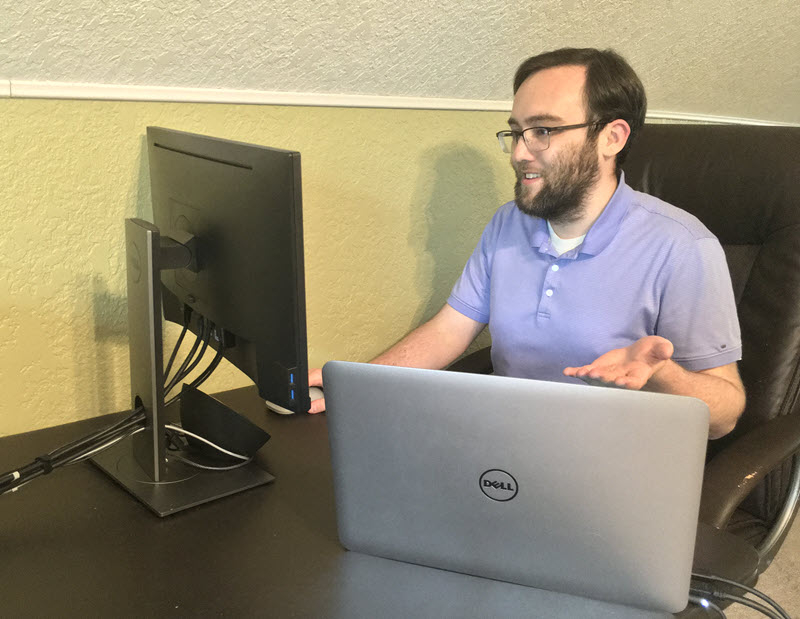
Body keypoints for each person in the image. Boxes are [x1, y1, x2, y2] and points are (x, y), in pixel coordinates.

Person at [308, 47, 745, 439]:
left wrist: (661, 374)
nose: (519, 152)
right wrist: (355, 385)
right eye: (517, 131)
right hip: (505, 452)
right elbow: (447, 332)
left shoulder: (683, 246)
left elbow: (726, 415)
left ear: (612, 137)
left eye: (544, 131)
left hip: (609, 466)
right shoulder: (508, 223)